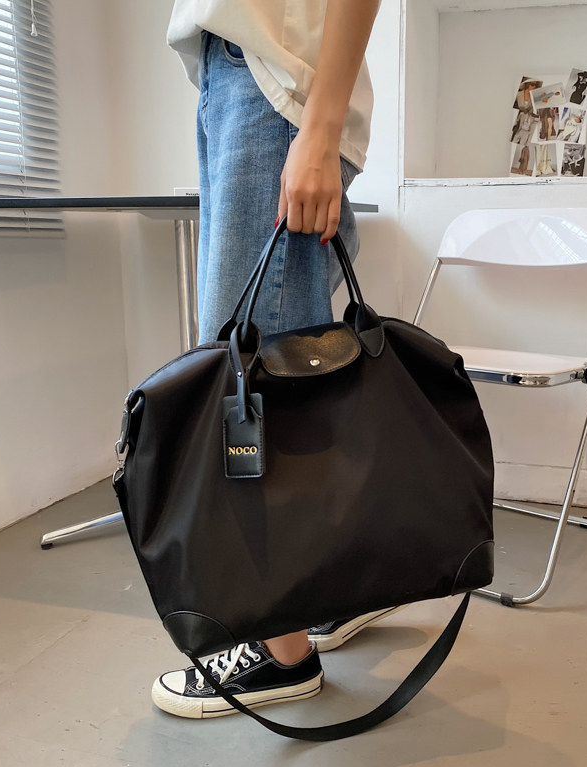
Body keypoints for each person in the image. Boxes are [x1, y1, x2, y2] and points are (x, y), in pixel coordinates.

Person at [152, 0, 396, 721]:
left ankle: (279, 648)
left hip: (274, 89)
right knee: (291, 371)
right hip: (245, 82)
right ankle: (328, 591)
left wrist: (318, 130)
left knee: (248, 386)